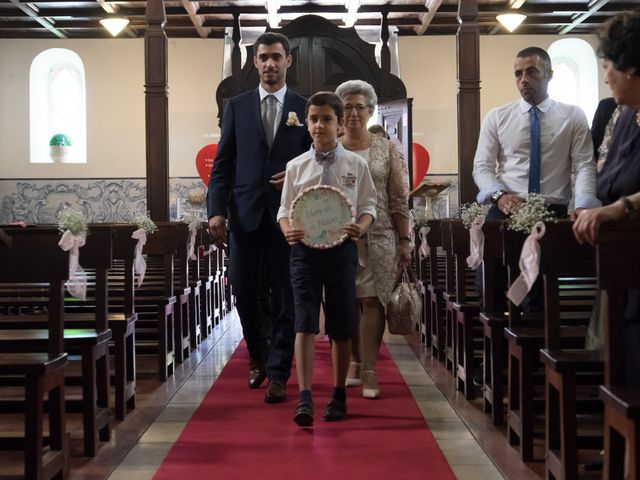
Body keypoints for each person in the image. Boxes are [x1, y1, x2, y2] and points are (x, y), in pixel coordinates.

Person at [207, 32, 311, 404]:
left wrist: (297, 174)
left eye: (276, 57)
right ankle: (257, 354)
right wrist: (216, 210)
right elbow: (223, 165)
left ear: (288, 61)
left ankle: (280, 371)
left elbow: (317, 160)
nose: (269, 63)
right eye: (263, 57)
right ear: (255, 62)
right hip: (245, 213)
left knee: (287, 295)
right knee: (243, 290)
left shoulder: (304, 106)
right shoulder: (237, 106)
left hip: (288, 217)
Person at [472, 46, 600, 313]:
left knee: (539, 297)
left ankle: (534, 345)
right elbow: (482, 168)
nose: (523, 79)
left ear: (549, 74)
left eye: (531, 72)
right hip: (507, 207)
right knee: (490, 285)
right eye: (518, 74)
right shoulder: (498, 117)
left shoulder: (572, 115)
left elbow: (585, 165)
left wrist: (584, 205)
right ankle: (496, 345)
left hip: (550, 211)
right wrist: (499, 195)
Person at [277, 91, 377, 425]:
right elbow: (284, 209)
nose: (320, 125)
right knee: (304, 322)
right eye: (314, 119)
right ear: (306, 123)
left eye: (327, 119)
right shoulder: (296, 166)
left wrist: (359, 228)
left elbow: (368, 207)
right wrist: (288, 228)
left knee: (340, 323)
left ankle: (338, 394)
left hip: (341, 252)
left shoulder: (356, 165)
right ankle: (305, 396)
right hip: (303, 253)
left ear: (339, 124)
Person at [572, 10, 640, 388]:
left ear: (630, 66)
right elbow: (608, 177)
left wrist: (622, 207)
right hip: (625, 271)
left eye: (608, 66)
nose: (605, 76)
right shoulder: (624, 117)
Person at [335, 80, 412, 399]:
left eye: (360, 107)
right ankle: (352, 361)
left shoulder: (385, 148)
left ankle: (369, 368)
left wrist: (405, 239)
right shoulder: (331, 146)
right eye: (347, 107)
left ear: (370, 111)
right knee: (346, 300)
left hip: (380, 234)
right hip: (337, 234)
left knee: (372, 299)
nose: (353, 113)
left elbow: (398, 196)